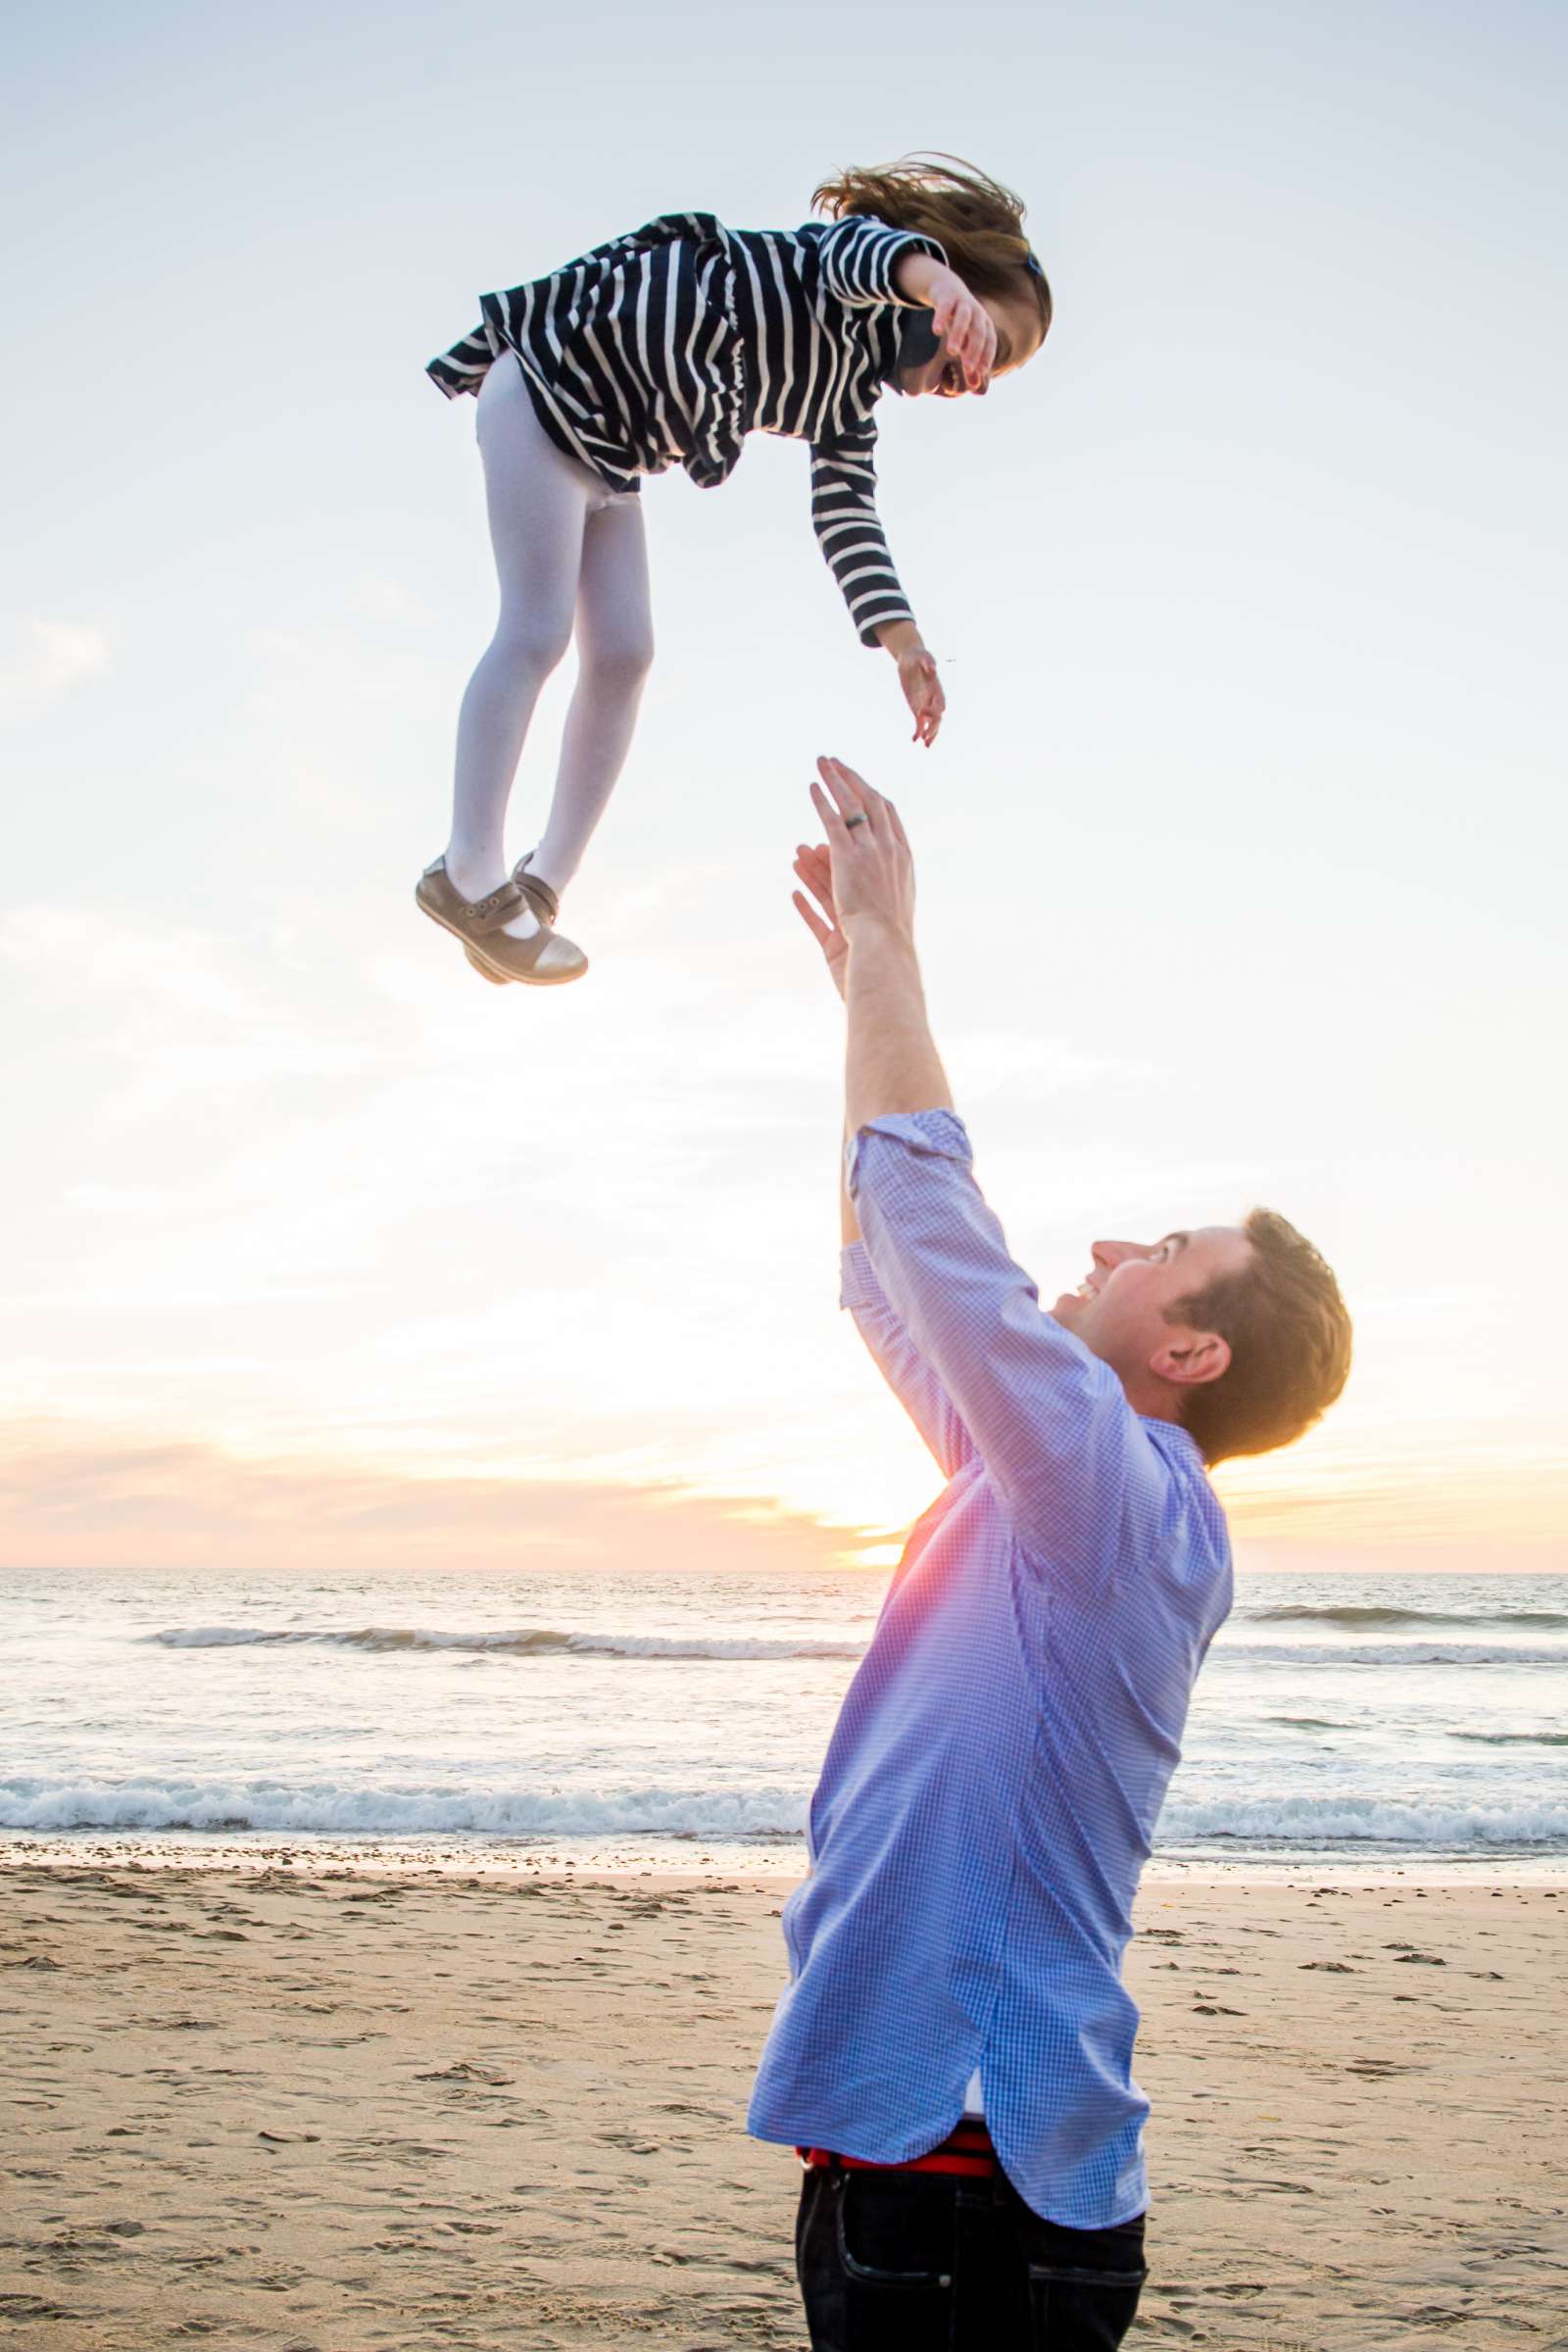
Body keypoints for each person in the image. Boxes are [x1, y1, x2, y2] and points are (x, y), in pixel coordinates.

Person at [751, 759, 1353, 2351]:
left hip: (970, 2171)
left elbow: (939, 1228)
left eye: (1160, 1255)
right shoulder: (1045, 1493)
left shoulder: (1119, 1501)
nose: (1106, 1248)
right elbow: (888, 1275)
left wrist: (898, 954)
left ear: (1194, 1356)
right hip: (920, 2155)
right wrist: (858, 1009)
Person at [416, 158, 1053, 985]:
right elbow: (866, 259)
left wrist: (905, 645)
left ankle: (541, 886)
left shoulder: (849, 399)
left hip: (610, 452)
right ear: (945, 276)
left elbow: (847, 516)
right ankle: (466, 872)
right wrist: (935, 286)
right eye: (986, 345)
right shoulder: (853, 264)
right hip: (547, 387)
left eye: (991, 378)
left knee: (625, 655)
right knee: (537, 630)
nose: (974, 379)